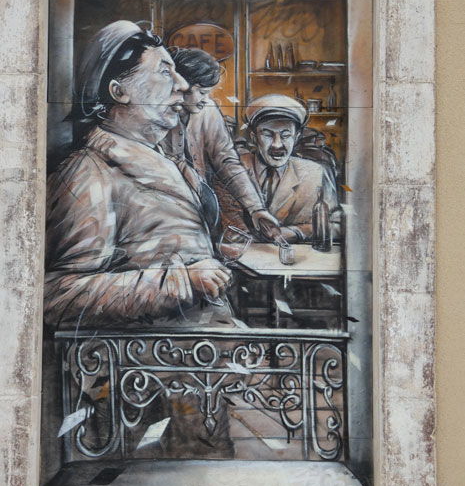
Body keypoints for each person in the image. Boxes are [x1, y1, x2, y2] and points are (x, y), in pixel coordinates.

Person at [44, 21, 233, 329]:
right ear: (119, 91)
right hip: (155, 355)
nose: (182, 84)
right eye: (165, 72)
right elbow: (57, 297)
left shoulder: (165, 160)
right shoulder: (88, 174)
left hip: (197, 347)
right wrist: (181, 282)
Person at [160, 47, 279, 239]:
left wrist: (256, 208)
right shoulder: (153, 112)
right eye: (202, 92)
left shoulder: (207, 110)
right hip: (161, 213)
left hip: (202, 210)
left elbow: (227, 161)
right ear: (181, 85)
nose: (205, 100)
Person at [221, 93, 341, 242]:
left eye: (285, 135)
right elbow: (224, 229)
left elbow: (338, 226)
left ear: (296, 137)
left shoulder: (316, 173)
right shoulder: (233, 169)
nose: (277, 145)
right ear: (254, 137)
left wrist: (296, 232)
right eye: (267, 134)